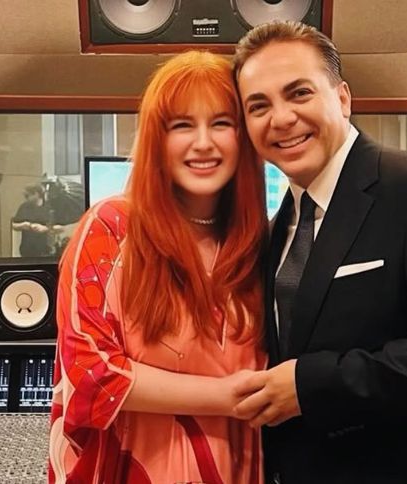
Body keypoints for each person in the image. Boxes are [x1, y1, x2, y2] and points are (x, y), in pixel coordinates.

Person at [232, 21, 407, 483]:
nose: (280, 118)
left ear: (342, 98)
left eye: (299, 93)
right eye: (258, 106)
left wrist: (310, 385)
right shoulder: (280, 224)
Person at [47, 50, 268, 483]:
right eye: (182, 125)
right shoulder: (111, 228)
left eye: (221, 123)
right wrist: (227, 397)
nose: (203, 143)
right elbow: (92, 373)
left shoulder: (257, 242)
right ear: (156, 138)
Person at [11, 184, 55, 257]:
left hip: (45, 250)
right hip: (27, 250)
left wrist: (45, 229)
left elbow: (60, 227)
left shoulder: (49, 208)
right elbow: (13, 225)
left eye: (27, 196)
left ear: (36, 194)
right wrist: (22, 225)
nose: (26, 198)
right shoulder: (24, 207)